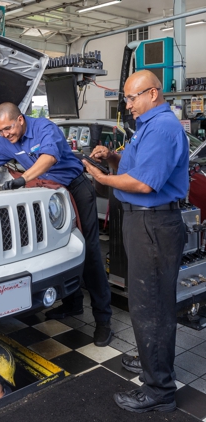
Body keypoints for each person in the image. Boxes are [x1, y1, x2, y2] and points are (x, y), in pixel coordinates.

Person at [0, 102, 113, 347]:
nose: (5, 135)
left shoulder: (44, 128)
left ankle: (103, 320)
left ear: (20, 120)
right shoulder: (6, 141)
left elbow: (49, 158)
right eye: (0, 130)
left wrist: (23, 179)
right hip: (50, 196)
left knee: (89, 251)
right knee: (62, 248)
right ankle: (73, 304)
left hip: (76, 188)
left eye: (9, 128)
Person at [83, 69, 187, 413]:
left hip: (154, 225)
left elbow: (144, 184)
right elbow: (139, 168)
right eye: (126, 98)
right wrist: (112, 160)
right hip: (143, 223)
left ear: (153, 94)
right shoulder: (148, 126)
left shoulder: (162, 127)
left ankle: (159, 391)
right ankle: (150, 363)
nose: (127, 105)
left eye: (131, 97)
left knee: (152, 307)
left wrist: (101, 178)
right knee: (145, 303)